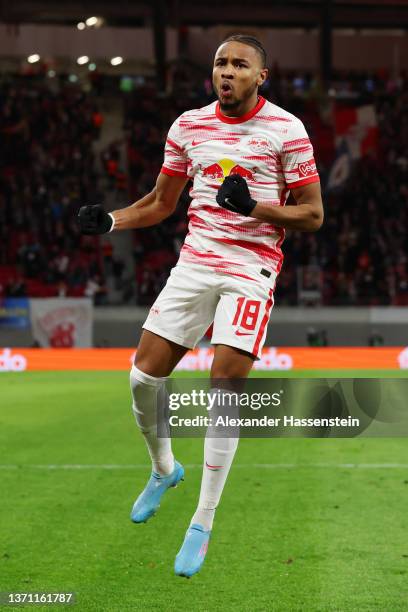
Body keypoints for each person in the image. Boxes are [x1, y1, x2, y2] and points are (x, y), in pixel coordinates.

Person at [77, 34, 323, 578]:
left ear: (263, 75)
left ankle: (202, 522)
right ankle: (164, 469)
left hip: (250, 271)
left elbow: (312, 214)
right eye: (220, 63)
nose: (227, 71)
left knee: (223, 391)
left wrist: (255, 207)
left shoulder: (287, 129)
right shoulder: (188, 125)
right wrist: (112, 219)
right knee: (142, 378)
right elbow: (163, 202)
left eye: (240, 64)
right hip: (194, 265)